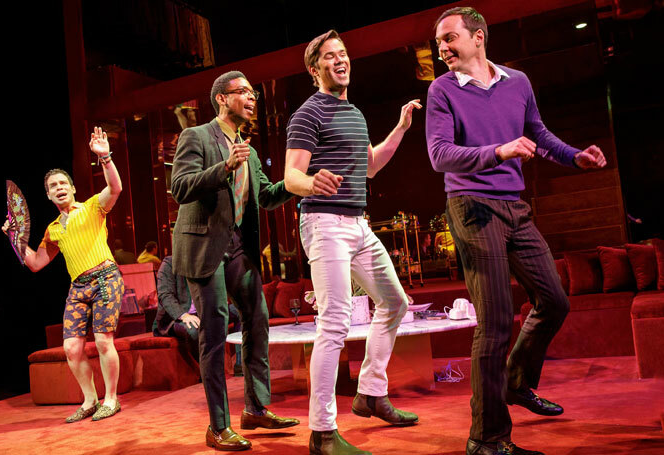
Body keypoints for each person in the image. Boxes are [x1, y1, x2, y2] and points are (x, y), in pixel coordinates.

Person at [427, 8, 607, 455]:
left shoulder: (518, 82)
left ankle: (515, 381)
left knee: (555, 299)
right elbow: (440, 155)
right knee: (493, 324)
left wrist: (573, 157)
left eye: (450, 38)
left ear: (479, 37)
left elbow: (538, 133)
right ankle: (486, 439)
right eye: (439, 43)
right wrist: (498, 151)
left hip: (514, 206)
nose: (443, 48)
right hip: (471, 207)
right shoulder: (441, 90)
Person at [284, 30, 422, 455]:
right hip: (324, 224)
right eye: (330, 56)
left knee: (395, 303)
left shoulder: (355, 113)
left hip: (358, 226)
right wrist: (313, 183)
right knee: (335, 323)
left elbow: (371, 168)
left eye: (343, 54)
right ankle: (322, 432)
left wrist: (400, 128)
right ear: (315, 69)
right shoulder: (308, 114)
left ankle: (371, 393)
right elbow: (292, 177)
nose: (340, 60)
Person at [171, 70, 299, 451]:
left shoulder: (250, 148)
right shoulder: (197, 136)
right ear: (222, 99)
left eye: (254, 93)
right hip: (205, 247)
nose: (252, 98)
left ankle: (257, 409)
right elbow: (180, 187)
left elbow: (265, 195)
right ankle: (218, 426)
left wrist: (297, 182)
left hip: (239, 248)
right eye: (243, 92)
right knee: (214, 331)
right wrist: (224, 167)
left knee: (258, 320)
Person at [2, 127, 125, 423]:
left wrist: (104, 157)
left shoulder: (93, 207)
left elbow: (115, 188)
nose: (59, 187)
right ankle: (90, 400)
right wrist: (15, 238)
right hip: (78, 287)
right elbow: (35, 263)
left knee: (103, 340)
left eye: (63, 183)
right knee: (71, 348)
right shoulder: (53, 229)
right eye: (52, 185)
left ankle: (112, 398)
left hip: (106, 277)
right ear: (47, 195)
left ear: (71, 188)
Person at [153, 255, 243, 374]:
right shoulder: (170, 263)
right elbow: (165, 295)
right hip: (176, 318)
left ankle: (240, 364)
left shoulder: (206, 261)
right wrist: (183, 315)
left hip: (203, 312)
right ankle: (207, 371)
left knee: (239, 311)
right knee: (194, 329)